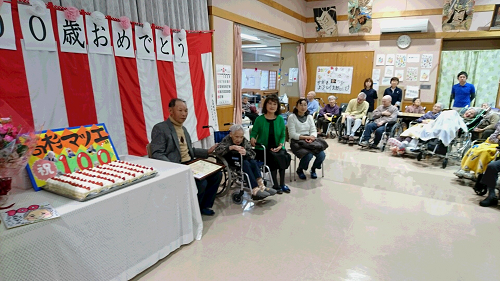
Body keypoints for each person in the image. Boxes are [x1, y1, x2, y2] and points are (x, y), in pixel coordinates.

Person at [151, 98, 222, 216]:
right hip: (177, 166)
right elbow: (157, 153)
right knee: (201, 182)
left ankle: (204, 206)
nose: (184, 114)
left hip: (190, 163)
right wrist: (174, 168)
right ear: (170, 111)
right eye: (180, 110)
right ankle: (193, 212)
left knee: (216, 175)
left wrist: (207, 152)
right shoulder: (161, 128)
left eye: (186, 111)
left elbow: (190, 151)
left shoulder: (183, 129)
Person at [213, 124, 276, 199]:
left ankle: (261, 185)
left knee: (253, 162)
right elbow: (217, 150)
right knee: (246, 163)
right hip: (231, 161)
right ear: (231, 134)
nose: (239, 139)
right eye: (236, 137)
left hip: (243, 159)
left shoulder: (244, 140)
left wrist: (246, 152)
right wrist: (231, 147)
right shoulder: (226, 140)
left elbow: (253, 153)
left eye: (241, 137)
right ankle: (254, 188)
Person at [250, 95, 291, 194]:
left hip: (278, 147)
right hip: (263, 149)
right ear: (265, 105)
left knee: (283, 156)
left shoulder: (280, 119)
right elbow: (254, 132)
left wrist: (280, 145)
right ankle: (276, 185)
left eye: (274, 104)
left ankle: (282, 184)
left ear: (277, 106)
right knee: (274, 157)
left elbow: (282, 135)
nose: (272, 106)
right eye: (269, 103)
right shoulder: (260, 119)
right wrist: (252, 138)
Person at [288, 99, 328, 180]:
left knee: (321, 155)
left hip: (310, 140)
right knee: (308, 155)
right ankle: (300, 170)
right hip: (297, 141)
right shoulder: (292, 117)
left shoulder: (309, 117)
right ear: (296, 106)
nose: (303, 107)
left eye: (305, 105)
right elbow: (292, 134)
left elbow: (313, 130)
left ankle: (313, 169)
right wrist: (306, 137)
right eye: (301, 105)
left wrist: (312, 137)